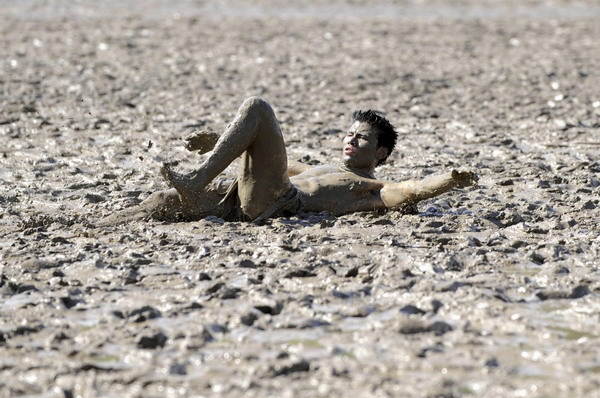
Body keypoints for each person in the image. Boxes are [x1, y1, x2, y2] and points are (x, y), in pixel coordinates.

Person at [102, 97, 477, 225]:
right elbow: (276, 160)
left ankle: (195, 179)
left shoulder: (373, 188)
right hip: (240, 199)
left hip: (277, 203)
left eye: (361, 138)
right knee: (162, 205)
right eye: (349, 133)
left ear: (380, 153)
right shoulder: (326, 169)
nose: (351, 140)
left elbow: (410, 191)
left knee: (258, 107)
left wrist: (449, 179)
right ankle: (92, 225)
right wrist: (220, 142)